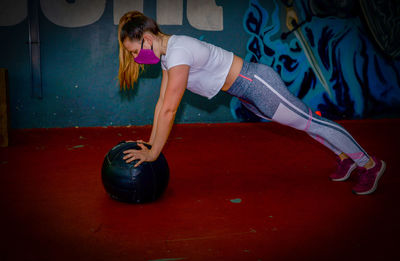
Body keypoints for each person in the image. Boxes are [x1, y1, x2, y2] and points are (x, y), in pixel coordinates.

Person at [118, 11, 385, 195]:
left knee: (310, 121)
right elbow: (162, 100)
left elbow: (169, 109)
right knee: (303, 125)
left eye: (134, 51)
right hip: (245, 93)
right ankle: (345, 157)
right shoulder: (168, 56)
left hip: (257, 84)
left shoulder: (178, 51)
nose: (135, 58)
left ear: (148, 39)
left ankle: (369, 164)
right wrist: (152, 143)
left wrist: (153, 155)